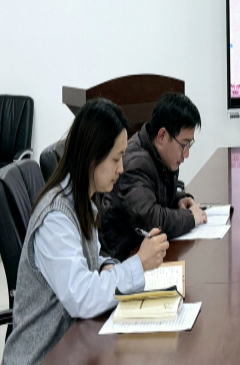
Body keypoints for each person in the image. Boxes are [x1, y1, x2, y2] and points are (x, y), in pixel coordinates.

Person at [2, 99, 169, 365]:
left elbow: (87, 258)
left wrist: (106, 266)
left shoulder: (81, 200)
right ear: (92, 158)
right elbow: (81, 297)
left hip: (72, 346)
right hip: (43, 356)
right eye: (116, 158)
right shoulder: (56, 217)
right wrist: (138, 264)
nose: (121, 168)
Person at [99, 92, 206, 261]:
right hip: (121, 260)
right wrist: (190, 218)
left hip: (142, 253)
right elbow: (151, 220)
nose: (186, 154)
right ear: (162, 136)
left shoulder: (159, 156)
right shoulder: (135, 164)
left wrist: (178, 199)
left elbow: (154, 195)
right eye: (184, 145)